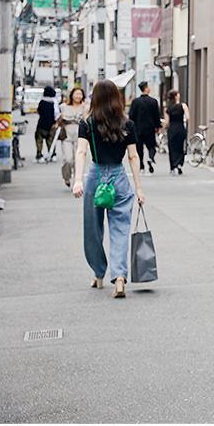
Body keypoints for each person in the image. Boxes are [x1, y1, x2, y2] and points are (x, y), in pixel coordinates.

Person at [71, 79, 145, 298]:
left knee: (93, 229)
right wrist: (138, 188)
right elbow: (133, 156)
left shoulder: (87, 124)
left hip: (96, 177)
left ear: (94, 98)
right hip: (120, 178)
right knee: (120, 228)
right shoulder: (127, 124)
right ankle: (120, 277)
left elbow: (81, 153)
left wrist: (78, 180)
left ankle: (98, 273)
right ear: (116, 98)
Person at [128, 81, 162, 174]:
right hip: (150, 129)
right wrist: (158, 127)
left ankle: (141, 166)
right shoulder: (153, 101)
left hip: (137, 129)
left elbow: (131, 116)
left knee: (139, 148)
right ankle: (150, 158)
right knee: (151, 146)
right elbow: (156, 116)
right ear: (146, 88)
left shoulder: (135, 102)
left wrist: (130, 128)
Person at [57, 87, 89, 186]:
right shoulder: (63, 106)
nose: (78, 96)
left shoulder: (86, 107)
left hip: (80, 137)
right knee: (68, 159)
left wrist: (83, 107)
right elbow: (57, 120)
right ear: (72, 95)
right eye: (76, 94)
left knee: (78, 160)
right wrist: (60, 118)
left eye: (80, 94)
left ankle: (77, 181)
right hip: (67, 136)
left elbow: (86, 120)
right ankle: (66, 176)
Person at [163, 90, 188, 176]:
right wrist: (182, 120)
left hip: (172, 129)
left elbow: (166, 122)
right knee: (180, 147)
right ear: (176, 96)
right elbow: (187, 117)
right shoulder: (183, 105)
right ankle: (180, 164)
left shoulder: (167, 108)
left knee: (172, 148)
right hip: (180, 128)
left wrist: (162, 129)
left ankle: (172, 167)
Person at [35, 86, 59, 161]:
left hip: (41, 124)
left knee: (39, 139)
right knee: (50, 140)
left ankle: (39, 155)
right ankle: (52, 154)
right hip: (51, 124)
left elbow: (39, 111)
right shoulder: (54, 102)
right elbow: (57, 113)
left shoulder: (42, 102)